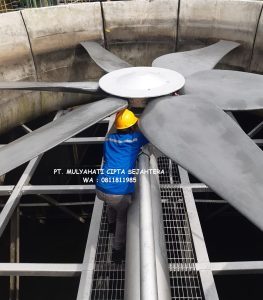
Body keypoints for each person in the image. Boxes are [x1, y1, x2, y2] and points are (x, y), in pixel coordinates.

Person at [96, 108, 148, 263]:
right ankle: (117, 251)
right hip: (119, 192)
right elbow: (150, 137)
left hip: (101, 187)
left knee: (110, 202)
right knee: (122, 218)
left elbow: (108, 157)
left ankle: (110, 226)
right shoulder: (136, 139)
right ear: (132, 126)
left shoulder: (109, 139)